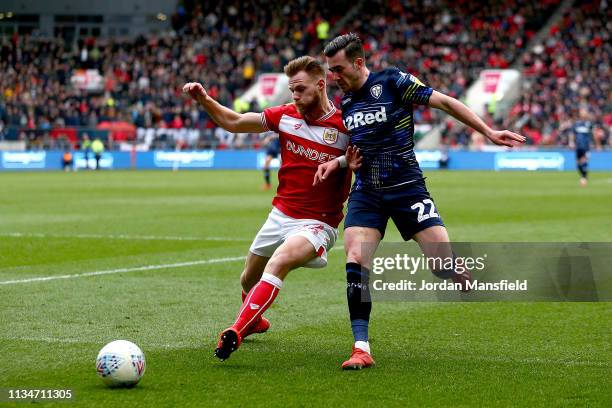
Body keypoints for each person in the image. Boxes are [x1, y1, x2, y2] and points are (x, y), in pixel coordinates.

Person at [315, 33, 526, 369]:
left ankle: (452, 266)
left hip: (407, 186)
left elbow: (445, 102)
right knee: (355, 257)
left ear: (358, 62)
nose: (333, 77)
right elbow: (360, 149)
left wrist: (488, 132)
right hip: (367, 191)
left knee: (440, 266)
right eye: (330, 71)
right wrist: (340, 163)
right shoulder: (347, 104)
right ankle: (361, 347)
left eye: (338, 69)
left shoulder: (393, 81)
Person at [183, 56, 361, 361]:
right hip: (280, 215)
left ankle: (235, 331)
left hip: (318, 222)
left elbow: (369, 155)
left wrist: (344, 162)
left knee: (277, 262)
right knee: (247, 280)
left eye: (300, 89)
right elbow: (234, 122)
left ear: (321, 85)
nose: (294, 95)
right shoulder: (285, 116)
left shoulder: (346, 124)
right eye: (291, 90)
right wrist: (204, 98)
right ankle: (256, 322)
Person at [569, 109, 599, 186]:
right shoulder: (576, 124)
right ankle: (584, 175)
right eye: (582, 113)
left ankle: (584, 177)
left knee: (584, 161)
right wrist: (571, 142)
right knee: (578, 164)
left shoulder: (589, 124)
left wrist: (597, 145)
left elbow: (594, 134)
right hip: (578, 146)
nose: (583, 115)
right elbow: (572, 134)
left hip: (586, 146)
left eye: (584, 113)